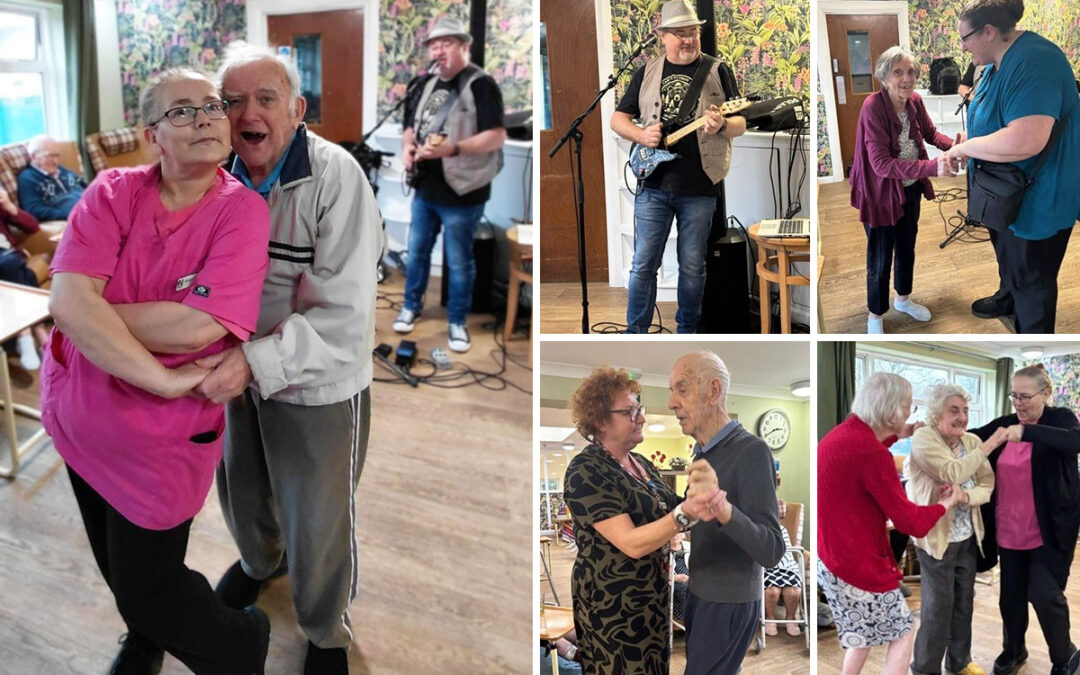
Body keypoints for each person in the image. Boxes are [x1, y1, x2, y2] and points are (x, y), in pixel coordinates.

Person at [39, 67, 272, 674]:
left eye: (212, 106)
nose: (203, 117)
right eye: (181, 110)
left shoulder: (240, 212)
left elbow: (201, 328)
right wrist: (159, 364)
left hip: (160, 439)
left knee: (153, 583)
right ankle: (143, 639)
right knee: (116, 571)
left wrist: (89, 307)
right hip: (82, 421)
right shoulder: (113, 191)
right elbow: (66, 304)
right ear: (152, 136)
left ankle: (241, 644)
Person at [199, 41, 383, 675]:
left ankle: (326, 631)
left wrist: (254, 361)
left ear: (297, 109)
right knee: (242, 486)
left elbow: (346, 314)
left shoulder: (337, 178)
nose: (248, 112)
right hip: (236, 371)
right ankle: (258, 564)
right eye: (232, 101)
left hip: (318, 382)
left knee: (319, 515)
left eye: (265, 98)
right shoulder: (215, 178)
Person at [563, 366, 723, 674]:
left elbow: (675, 508)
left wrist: (707, 493)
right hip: (612, 608)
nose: (642, 418)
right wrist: (686, 513)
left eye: (640, 409)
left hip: (651, 600)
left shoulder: (642, 464)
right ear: (599, 420)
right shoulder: (586, 470)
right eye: (630, 412)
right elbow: (631, 543)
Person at [610, 0, 746, 334]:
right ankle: (636, 332)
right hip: (653, 185)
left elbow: (741, 121)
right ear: (664, 37)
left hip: (700, 187)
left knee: (693, 267)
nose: (688, 40)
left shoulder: (717, 69)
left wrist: (721, 127)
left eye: (693, 33)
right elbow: (617, 119)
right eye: (681, 34)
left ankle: (687, 330)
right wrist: (641, 135)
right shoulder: (646, 72)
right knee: (643, 265)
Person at [944, 0, 1080, 333]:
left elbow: (1025, 140)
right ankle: (1007, 296)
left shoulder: (1036, 61)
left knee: (1032, 281)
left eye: (965, 39)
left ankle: (1031, 328)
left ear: (988, 32)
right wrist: (969, 136)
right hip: (1003, 191)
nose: (962, 47)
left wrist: (965, 147)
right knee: (1007, 257)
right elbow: (992, 117)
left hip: (1037, 197)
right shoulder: (993, 64)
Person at [818, 372, 965, 675]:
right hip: (856, 567)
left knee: (861, 638)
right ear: (891, 410)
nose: (910, 413)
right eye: (908, 407)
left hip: (831, 561)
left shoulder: (840, 436)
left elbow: (864, 452)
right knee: (903, 632)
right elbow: (911, 522)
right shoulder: (872, 453)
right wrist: (946, 503)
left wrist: (903, 432)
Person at [394, 17, 506, 353]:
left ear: (463, 47)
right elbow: (409, 127)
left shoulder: (481, 85)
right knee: (416, 253)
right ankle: (411, 306)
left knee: (459, 261)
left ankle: (457, 321)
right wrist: (407, 150)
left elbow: (496, 136)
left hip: (464, 190)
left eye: (446, 44)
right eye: (433, 45)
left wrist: (453, 148)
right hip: (426, 188)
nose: (438, 50)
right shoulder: (423, 84)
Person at [667, 351, 784, 674]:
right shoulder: (701, 451)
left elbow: (772, 549)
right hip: (700, 591)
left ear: (714, 391)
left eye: (682, 389)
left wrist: (721, 507)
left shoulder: (752, 450)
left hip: (728, 602)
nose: (671, 403)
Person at [969, 364, 1080, 675]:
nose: (1017, 403)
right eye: (1013, 396)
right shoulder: (1005, 423)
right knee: (1011, 597)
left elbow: (1075, 441)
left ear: (1045, 393)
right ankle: (1013, 650)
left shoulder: (1060, 418)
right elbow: (973, 437)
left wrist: (1027, 431)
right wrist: (937, 429)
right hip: (1009, 528)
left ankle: (1065, 658)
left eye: (1025, 396)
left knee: (1045, 595)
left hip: (1048, 529)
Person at [849, 46, 957, 334]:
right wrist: (932, 168)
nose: (906, 78)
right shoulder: (873, 107)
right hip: (879, 193)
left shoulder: (915, 101)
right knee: (881, 256)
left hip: (909, 188)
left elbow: (931, 134)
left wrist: (958, 146)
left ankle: (903, 299)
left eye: (910, 71)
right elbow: (882, 165)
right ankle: (875, 315)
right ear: (884, 78)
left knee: (906, 247)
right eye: (898, 72)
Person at [905, 383, 1005, 675]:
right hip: (936, 539)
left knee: (964, 603)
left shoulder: (971, 441)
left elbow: (987, 482)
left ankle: (959, 662)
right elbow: (953, 472)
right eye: (954, 410)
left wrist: (965, 497)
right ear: (937, 414)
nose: (962, 416)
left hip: (968, 536)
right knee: (938, 609)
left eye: (965, 410)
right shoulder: (924, 438)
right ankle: (924, 668)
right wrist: (991, 444)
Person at [0, 186, 48, 369]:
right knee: (15, 266)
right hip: (7, 259)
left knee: (15, 266)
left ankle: (26, 333)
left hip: (7, 255)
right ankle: (37, 332)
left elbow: (32, 226)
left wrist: (9, 206)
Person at [16, 135, 87, 221]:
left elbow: (87, 187)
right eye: (50, 156)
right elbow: (34, 210)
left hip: (91, 208)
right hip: (78, 216)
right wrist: (70, 214)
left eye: (57, 156)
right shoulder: (27, 178)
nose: (56, 161)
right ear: (33, 156)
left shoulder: (62, 170)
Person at [763, 499, 803, 637]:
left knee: (793, 591)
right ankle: (770, 619)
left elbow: (786, 550)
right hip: (769, 567)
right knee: (772, 591)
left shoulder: (782, 530)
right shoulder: (758, 531)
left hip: (787, 566)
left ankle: (791, 619)